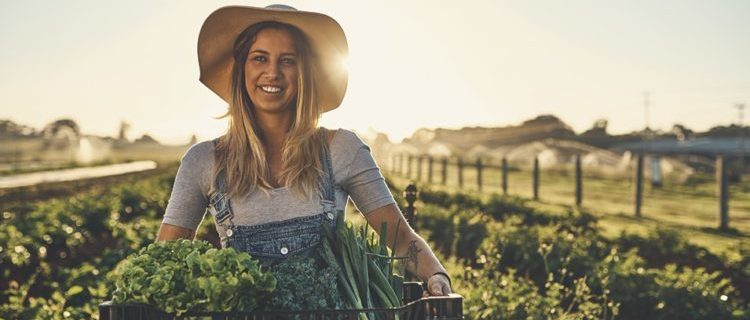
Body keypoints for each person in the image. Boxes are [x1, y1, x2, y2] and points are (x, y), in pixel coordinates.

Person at [155, 4, 452, 297]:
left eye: (287, 61)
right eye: (260, 58)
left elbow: (400, 238)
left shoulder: (341, 149)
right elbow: (166, 259)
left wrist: (436, 275)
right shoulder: (204, 161)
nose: (272, 72)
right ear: (241, 68)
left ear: (304, 72)